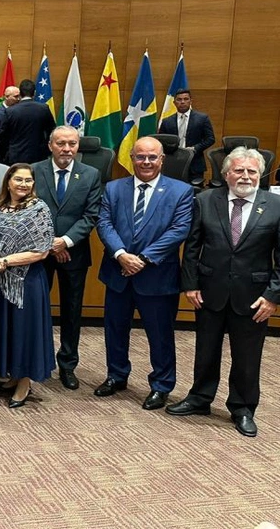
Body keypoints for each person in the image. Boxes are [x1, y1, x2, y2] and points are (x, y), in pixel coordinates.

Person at [167, 148, 280, 438]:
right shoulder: (205, 201)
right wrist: (190, 284)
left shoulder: (275, 206)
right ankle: (200, 398)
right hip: (209, 290)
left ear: (260, 175)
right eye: (239, 170)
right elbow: (192, 247)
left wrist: (272, 296)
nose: (245, 176)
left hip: (254, 296)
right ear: (226, 174)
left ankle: (242, 408)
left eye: (251, 171)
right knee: (206, 349)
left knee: (247, 355)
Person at [95, 136, 193, 410]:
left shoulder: (181, 191)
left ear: (162, 160)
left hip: (157, 277)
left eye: (152, 157)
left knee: (160, 334)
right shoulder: (114, 189)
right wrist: (121, 255)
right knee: (115, 330)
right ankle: (116, 375)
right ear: (132, 158)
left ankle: (161, 385)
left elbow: (179, 230)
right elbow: (104, 224)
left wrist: (144, 259)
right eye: (140, 157)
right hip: (118, 272)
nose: (146, 162)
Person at [31, 126, 102, 390]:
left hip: (74, 252)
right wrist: (50, 243)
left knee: (72, 312)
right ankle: (37, 361)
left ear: (78, 146)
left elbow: (91, 215)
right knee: (36, 307)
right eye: (61, 143)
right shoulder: (34, 170)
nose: (66, 149)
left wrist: (65, 241)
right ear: (50, 145)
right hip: (38, 253)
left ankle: (68, 365)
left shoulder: (91, 175)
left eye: (72, 144)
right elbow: (26, 209)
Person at [0, 164, 55, 408]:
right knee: (8, 329)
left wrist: (5, 261)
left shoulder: (38, 209)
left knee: (26, 331)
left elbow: (42, 250)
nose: (24, 184)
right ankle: (13, 374)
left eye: (28, 180)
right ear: (8, 181)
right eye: (18, 180)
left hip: (27, 282)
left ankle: (24, 381)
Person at [157, 89, 215, 183]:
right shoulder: (167, 121)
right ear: (174, 102)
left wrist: (194, 148)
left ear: (190, 101)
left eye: (185, 99)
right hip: (173, 163)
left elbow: (210, 139)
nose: (182, 102)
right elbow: (160, 141)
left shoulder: (202, 118)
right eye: (179, 99)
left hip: (195, 163)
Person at [0, 79, 56, 165]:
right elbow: (52, 132)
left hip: (15, 157)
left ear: (20, 94)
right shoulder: (44, 109)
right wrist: (46, 149)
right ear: (34, 93)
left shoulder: (10, 111)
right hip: (38, 156)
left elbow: (3, 136)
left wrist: (2, 156)